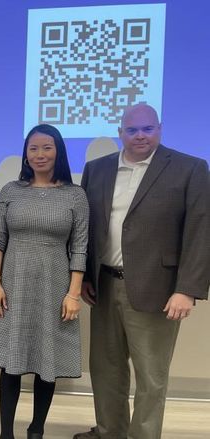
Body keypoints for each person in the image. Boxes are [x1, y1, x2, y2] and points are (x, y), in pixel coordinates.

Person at [73, 104, 209, 439]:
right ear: (120, 133)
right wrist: (87, 276)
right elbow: (88, 227)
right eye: (132, 130)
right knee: (105, 370)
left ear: (159, 129)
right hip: (103, 285)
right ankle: (110, 432)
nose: (140, 136)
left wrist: (187, 288)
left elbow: (200, 231)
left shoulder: (189, 168)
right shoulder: (97, 169)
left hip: (159, 289)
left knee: (150, 376)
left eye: (147, 129)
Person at [0, 124, 89, 439]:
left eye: (47, 147)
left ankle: (37, 429)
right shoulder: (10, 191)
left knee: (48, 360)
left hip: (55, 287)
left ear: (58, 151)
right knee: (10, 361)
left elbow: (80, 247)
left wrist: (73, 294)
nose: (40, 154)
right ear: (25, 154)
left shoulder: (75, 195)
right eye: (33, 148)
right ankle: (6, 433)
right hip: (12, 286)